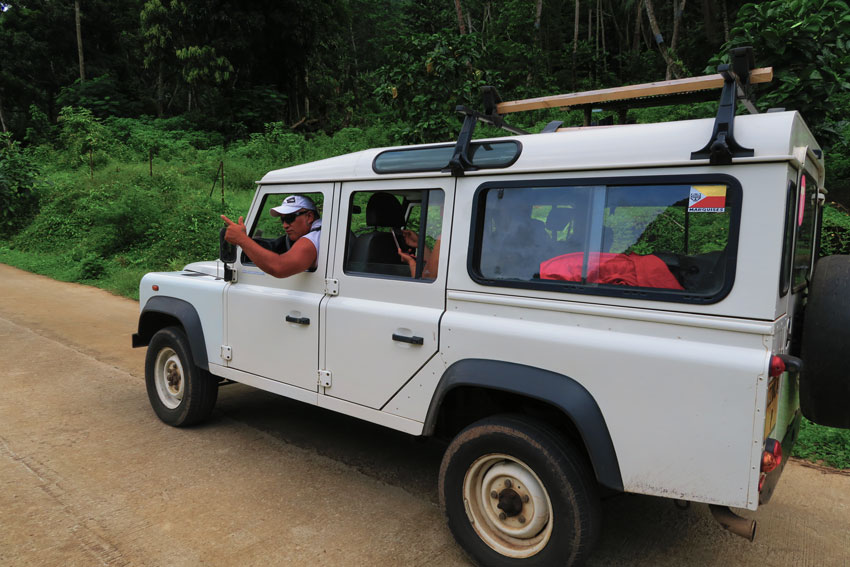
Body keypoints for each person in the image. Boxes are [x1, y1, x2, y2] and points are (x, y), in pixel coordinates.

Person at [221, 195, 321, 278]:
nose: (285, 225)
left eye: (290, 218)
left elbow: (279, 267)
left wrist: (242, 239)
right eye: (282, 220)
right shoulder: (324, 232)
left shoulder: (313, 238)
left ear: (309, 217)